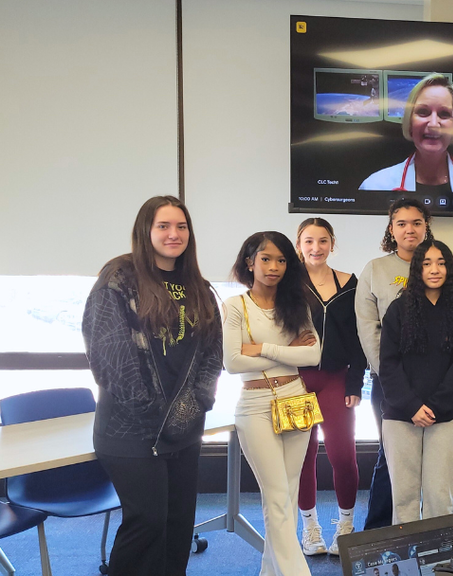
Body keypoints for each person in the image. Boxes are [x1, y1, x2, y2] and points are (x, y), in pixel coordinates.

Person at [82, 195, 222, 576]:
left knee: (177, 526)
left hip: (184, 429)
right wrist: (156, 415)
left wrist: (190, 411)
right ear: (146, 231)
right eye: (163, 226)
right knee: (147, 523)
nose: (173, 234)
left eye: (181, 226)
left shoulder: (198, 286)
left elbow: (211, 356)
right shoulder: (119, 278)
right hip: (129, 430)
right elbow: (109, 358)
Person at [223, 231, 322, 576]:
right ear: (249, 262)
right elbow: (233, 363)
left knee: (286, 496)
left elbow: (312, 354)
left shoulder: (297, 302)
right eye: (265, 259)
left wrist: (262, 349)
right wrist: (288, 352)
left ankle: (271, 572)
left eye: (281, 260)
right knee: (278, 495)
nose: (274, 267)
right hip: (254, 405)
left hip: (296, 399)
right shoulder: (235, 305)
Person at [378, 239, 453, 523]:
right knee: (404, 499)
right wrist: (411, 406)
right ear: (416, 269)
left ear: (450, 269)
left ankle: (440, 564)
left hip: (443, 418)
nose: (435, 270)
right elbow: (389, 364)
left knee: (440, 498)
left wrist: (435, 406)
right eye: (427, 263)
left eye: (441, 263)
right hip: (400, 416)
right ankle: (407, 565)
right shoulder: (399, 310)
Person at [355, 198, 433, 529]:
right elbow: (368, 328)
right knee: (391, 459)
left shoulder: (437, 265)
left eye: (416, 222)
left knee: (431, 463)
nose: (409, 229)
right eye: (401, 223)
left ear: (426, 227)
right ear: (392, 229)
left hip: (431, 383)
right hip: (389, 382)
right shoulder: (376, 269)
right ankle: (377, 534)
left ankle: (425, 535)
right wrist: (389, 377)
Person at [294, 218, 368, 556]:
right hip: (296, 382)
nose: (315, 248)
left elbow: (358, 337)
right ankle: (309, 527)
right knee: (302, 456)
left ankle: (346, 525)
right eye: (309, 241)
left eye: (322, 241)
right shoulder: (288, 284)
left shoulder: (351, 283)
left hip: (337, 380)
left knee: (342, 455)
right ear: (299, 244)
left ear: (332, 244)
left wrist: (356, 380)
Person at [359, 73, 453, 194]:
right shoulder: (374, 185)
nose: (433, 124)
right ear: (410, 123)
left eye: (444, 114)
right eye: (423, 112)